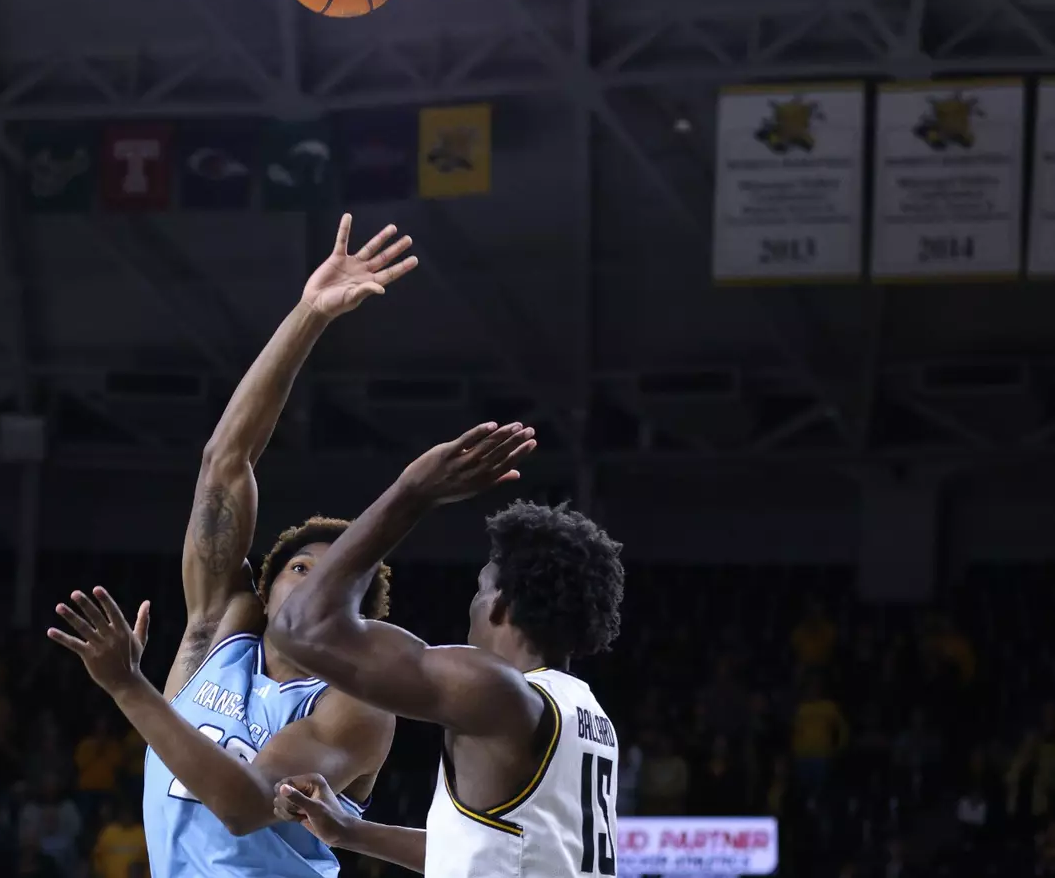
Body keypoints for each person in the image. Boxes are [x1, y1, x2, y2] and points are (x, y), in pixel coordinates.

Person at [46, 214, 417, 878]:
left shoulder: (355, 705)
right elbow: (226, 461)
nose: (315, 581)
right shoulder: (216, 637)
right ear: (267, 590)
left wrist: (129, 687)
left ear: (359, 618)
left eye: (339, 577)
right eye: (302, 566)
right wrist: (309, 313)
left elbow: (246, 807)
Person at [264, 421, 626, 878]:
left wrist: (413, 492)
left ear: (502, 606)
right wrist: (349, 832)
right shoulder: (587, 714)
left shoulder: (496, 692)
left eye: (481, 589)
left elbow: (301, 627)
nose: (472, 604)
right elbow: (483, 847)